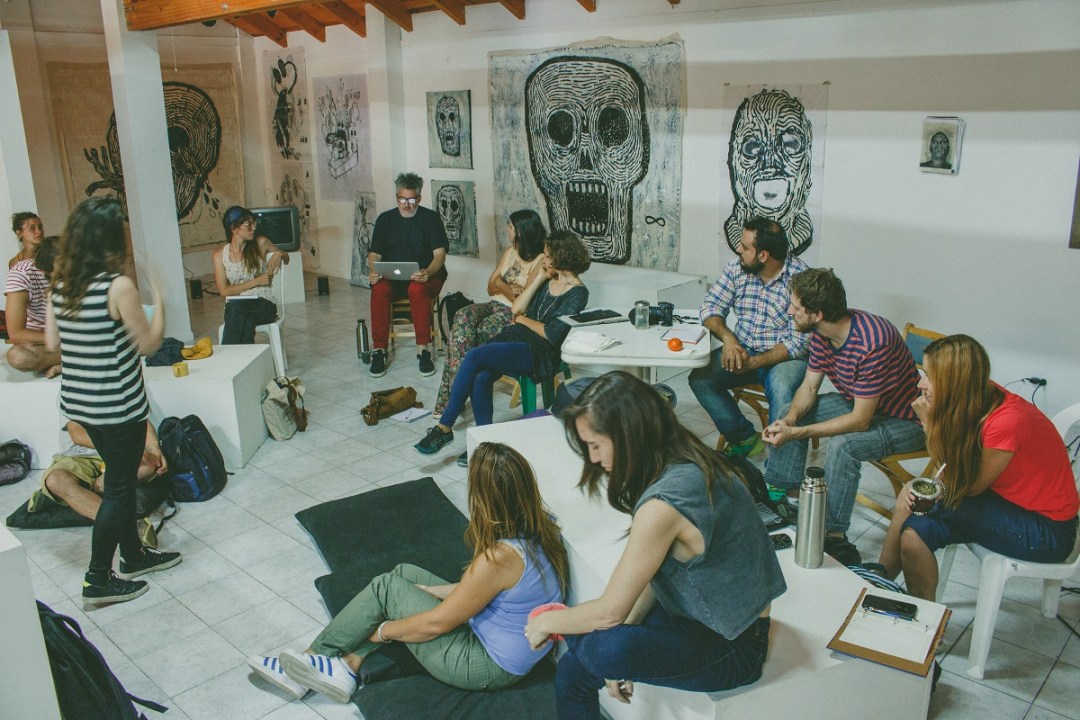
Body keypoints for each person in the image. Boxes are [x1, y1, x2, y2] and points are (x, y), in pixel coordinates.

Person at [524, 372, 785, 719]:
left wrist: (546, 623)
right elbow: (649, 580)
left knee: (597, 648)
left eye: (596, 445)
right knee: (584, 661)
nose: (594, 458)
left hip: (734, 647)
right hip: (702, 617)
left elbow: (608, 612)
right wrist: (619, 638)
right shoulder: (687, 462)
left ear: (627, 435)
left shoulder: (664, 503)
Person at [248, 442, 569, 702]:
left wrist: (384, 630)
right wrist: (427, 592)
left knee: (386, 588)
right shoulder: (541, 527)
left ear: (485, 499)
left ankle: (308, 661)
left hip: (485, 665)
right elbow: (489, 592)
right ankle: (347, 666)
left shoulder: (499, 558)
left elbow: (436, 624)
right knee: (404, 574)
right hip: (501, 643)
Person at [45, 196, 180, 605]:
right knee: (119, 491)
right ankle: (98, 578)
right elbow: (149, 345)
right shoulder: (117, 285)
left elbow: (52, 343)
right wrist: (161, 300)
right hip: (119, 408)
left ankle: (134, 556)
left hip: (82, 405)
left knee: (118, 480)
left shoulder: (61, 287)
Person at [877, 335, 1078, 600]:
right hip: (1001, 501)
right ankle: (896, 594)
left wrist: (930, 426)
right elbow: (955, 466)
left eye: (929, 376)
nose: (920, 383)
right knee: (913, 534)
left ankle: (880, 580)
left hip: (1046, 531)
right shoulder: (972, 395)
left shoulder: (1006, 421)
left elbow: (969, 487)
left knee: (915, 499)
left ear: (954, 382)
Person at [761, 268, 925, 566]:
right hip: (863, 403)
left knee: (844, 445)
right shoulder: (821, 333)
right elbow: (809, 387)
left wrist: (799, 433)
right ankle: (786, 501)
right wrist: (790, 422)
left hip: (906, 419)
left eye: (796, 307)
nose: (789, 312)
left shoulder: (873, 342)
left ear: (818, 314)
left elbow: (861, 421)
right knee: (789, 412)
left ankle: (832, 533)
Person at [414, 230, 589, 464]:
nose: (544, 260)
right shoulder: (548, 280)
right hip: (515, 336)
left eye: (548, 256)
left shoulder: (578, 293)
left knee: (474, 355)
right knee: (481, 376)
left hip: (539, 351)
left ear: (561, 257)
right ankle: (485, 443)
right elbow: (516, 309)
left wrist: (523, 320)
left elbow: (551, 333)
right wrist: (539, 278)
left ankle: (444, 427)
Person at [689, 217, 809, 457]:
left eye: (745, 247)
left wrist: (755, 362)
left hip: (785, 358)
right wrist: (729, 339)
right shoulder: (737, 268)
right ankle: (744, 438)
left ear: (763, 255)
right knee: (701, 377)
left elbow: (799, 343)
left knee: (782, 391)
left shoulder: (801, 279)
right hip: (743, 349)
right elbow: (710, 308)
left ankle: (779, 468)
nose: (738, 250)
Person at [433, 209, 547, 415]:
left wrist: (502, 284)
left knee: (471, 334)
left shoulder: (540, 261)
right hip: (493, 303)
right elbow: (490, 286)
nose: (507, 230)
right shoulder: (509, 252)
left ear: (521, 231)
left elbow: (522, 303)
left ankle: (451, 402)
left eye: (511, 227)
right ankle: (457, 396)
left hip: (513, 313)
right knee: (461, 316)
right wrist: (510, 288)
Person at [367, 172, 449, 378]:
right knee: (379, 288)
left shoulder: (431, 219)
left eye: (411, 200)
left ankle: (423, 350)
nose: (406, 204)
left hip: (426, 276)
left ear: (419, 199)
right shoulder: (385, 220)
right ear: (397, 197)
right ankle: (379, 349)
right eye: (402, 199)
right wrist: (374, 271)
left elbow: (440, 255)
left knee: (417, 288)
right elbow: (374, 254)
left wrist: (427, 272)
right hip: (393, 278)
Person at [29, 420, 166, 524]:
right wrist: (122, 447)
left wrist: (155, 449)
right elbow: (79, 435)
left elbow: (142, 421)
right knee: (56, 480)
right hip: (79, 456)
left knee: (150, 464)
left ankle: (85, 492)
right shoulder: (73, 391)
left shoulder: (125, 389)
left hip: (119, 452)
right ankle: (125, 527)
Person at [212, 205, 289, 345]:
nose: (254, 228)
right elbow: (224, 291)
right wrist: (256, 281)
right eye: (248, 225)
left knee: (236, 310)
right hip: (239, 307)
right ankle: (243, 358)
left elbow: (287, 259)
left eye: (254, 223)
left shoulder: (261, 243)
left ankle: (226, 355)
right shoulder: (219, 255)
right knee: (246, 321)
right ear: (234, 228)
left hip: (264, 305)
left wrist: (280, 253)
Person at [5, 234, 61, 376]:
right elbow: (16, 334)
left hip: (77, 338)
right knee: (18, 356)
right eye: (49, 277)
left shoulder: (80, 270)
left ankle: (68, 362)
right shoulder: (21, 273)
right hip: (49, 341)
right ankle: (72, 360)